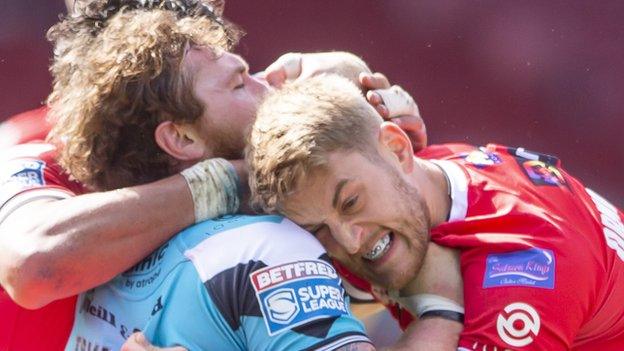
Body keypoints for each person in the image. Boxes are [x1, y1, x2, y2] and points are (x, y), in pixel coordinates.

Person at [0, 1, 428, 350]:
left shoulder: (215, 104)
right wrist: (236, 180)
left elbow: (335, 75)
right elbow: (34, 266)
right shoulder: (36, 145)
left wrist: (379, 139)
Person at [246, 75, 624, 350]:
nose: (349, 241)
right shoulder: (423, 178)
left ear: (398, 149)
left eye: (350, 203)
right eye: (318, 230)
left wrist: (440, 311)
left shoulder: (524, 272)